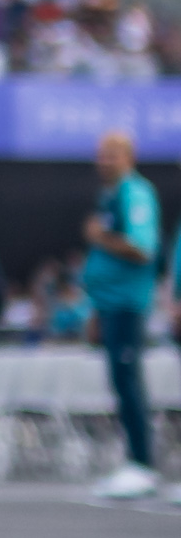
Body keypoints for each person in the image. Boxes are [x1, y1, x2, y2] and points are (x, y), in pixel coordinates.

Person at [77, 131, 161, 501]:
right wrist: (96, 307)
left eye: (111, 154)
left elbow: (142, 249)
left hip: (128, 303)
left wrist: (99, 238)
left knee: (128, 383)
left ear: (130, 156)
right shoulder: (110, 195)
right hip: (110, 304)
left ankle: (142, 464)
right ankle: (133, 461)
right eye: (100, 154)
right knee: (120, 384)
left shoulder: (135, 193)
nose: (103, 161)